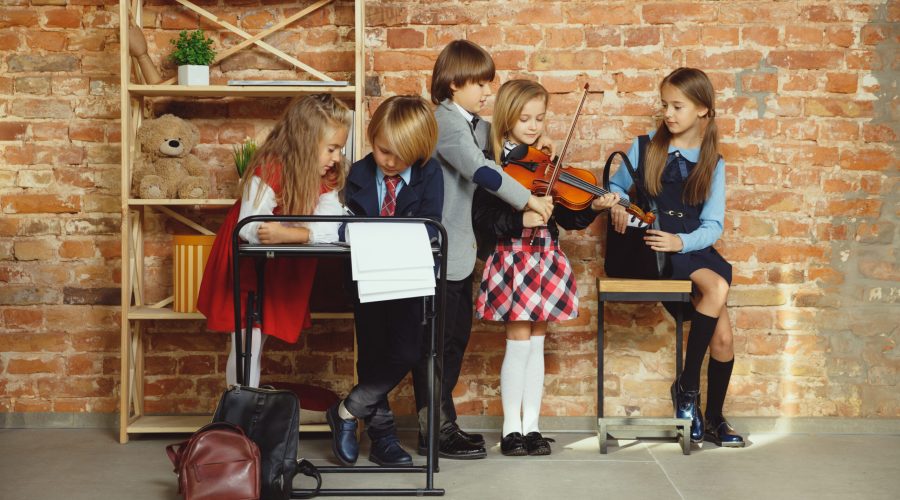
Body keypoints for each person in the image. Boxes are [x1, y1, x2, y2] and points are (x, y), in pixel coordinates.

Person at [413, 39, 555, 460]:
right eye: (480, 84)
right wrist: (527, 199)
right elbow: (481, 168)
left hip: (460, 249)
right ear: (454, 84)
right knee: (438, 343)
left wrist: (535, 147)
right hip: (440, 248)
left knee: (453, 340)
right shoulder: (445, 122)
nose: (487, 92)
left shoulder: (471, 122)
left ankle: (442, 422)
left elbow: (499, 152)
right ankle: (433, 429)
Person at [472, 79, 620, 455]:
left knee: (537, 343)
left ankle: (532, 426)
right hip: (513, 258)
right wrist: (521, 221)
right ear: (506, 118)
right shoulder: (495, 166)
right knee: (518, 343)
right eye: (525, 119)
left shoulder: (544, 166)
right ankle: (510, 430)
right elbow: (483, 219)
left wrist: (592, 207)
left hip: (546, 257)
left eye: (539, 118)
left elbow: (569, 219)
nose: (534, 126)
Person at [608, 67, 744, 447]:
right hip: (657, 248)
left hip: (692, 247)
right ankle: (687, 392)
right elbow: (615, 188)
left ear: (702, 110)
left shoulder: (714, 161)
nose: (668, 113)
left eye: (678, 106)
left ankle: (713, 417)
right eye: (664, 105)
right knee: (717, 286)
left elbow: (714, 225)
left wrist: (682, 243)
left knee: (724, 339)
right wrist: (618, 205)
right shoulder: (645, 146)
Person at [197, 94, 351, 388]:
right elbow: (252, 228)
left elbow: (332, 228)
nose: (337, 158)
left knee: (257, 340)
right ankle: (239, 418)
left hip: (278, 260)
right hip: (246, 262)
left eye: (339, 150)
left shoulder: (327, 177)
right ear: (306, 142)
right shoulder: (270, 167)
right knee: (247, 342)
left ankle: (242, 414)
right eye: (331, 149)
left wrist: (292, 234)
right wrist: (290, 234)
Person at [325, 95, 443, 467]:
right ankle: (383, 439)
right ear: (372, 138)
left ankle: (346, 410)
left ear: (420, 151)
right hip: (365, 279)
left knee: (407, 352)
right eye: (383, 151)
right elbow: (339, 224)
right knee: (373, 356)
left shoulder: (430, 174)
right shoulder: (355, 173)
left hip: (409, 279)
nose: (389, 162)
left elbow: (430, 226)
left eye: (400, 156)